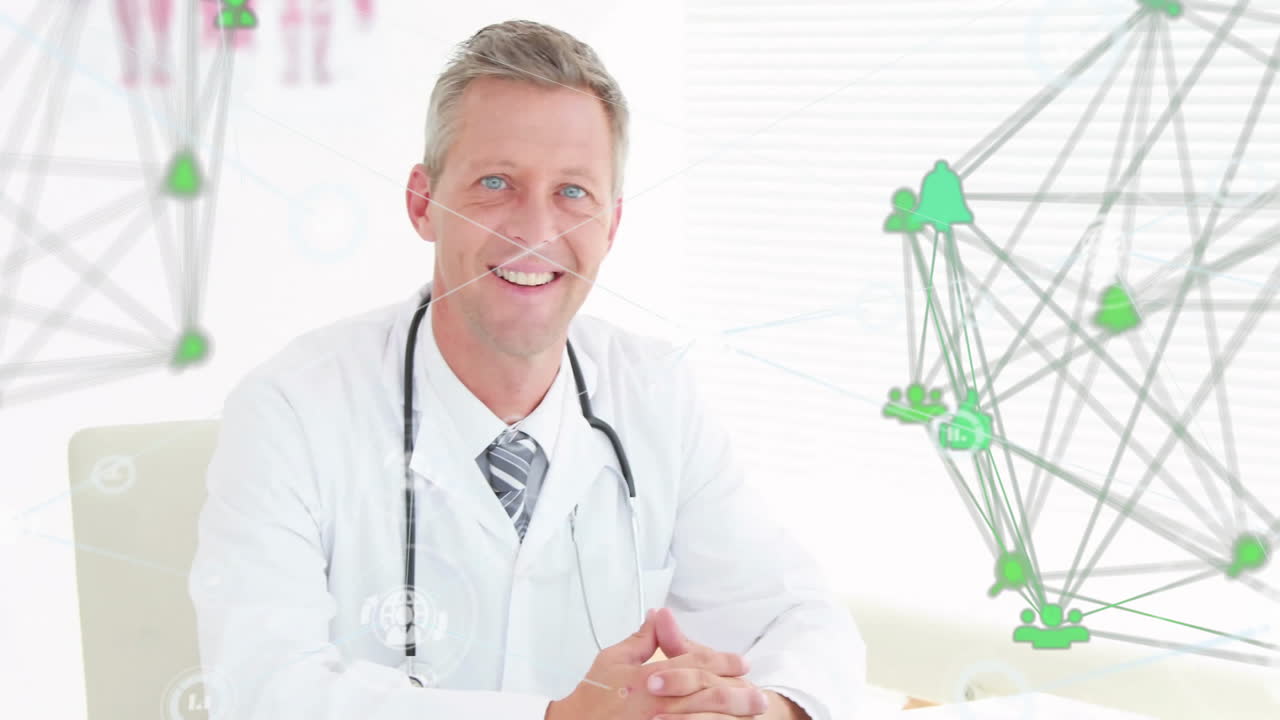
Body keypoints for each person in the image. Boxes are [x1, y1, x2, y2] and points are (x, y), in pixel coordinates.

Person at [188, 19, 865, 720]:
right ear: (424, 203)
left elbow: (797, 619)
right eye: (495, 183)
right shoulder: (292, 409)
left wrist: (765, 709)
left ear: (612, 223)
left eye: (573, 192)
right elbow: (263, 690)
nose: (536, 231)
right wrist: (556, 719)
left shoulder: (656, 392)